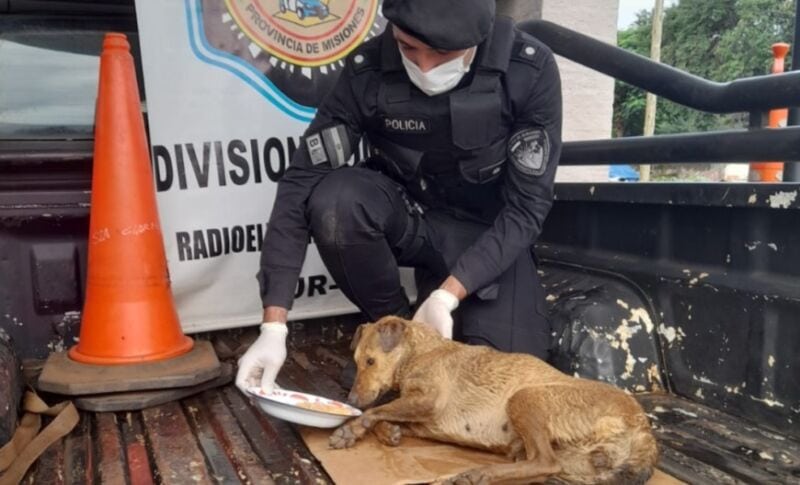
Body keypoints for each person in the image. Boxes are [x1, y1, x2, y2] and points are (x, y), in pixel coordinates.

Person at [236, 0, 562, 393]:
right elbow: (299, 185)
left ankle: (439, 313)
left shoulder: (527, 69)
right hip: (415, 223)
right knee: (337, 201)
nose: (424, 67)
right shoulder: (367, 70)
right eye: (409, 48)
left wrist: (448, 295)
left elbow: (527, 208)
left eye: (442, 54)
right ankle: (394, 333)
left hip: (487, 236)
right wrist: (274, 325)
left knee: (500, 387)